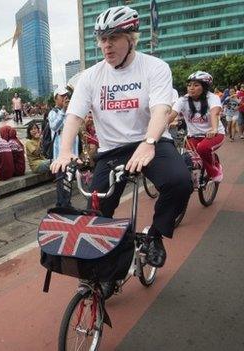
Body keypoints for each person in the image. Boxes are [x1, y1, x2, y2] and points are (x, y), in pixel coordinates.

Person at [50, 5, 192, 269]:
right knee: (96, 212)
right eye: (103, 39)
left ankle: (155, 235)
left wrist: (149, 143)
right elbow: (74, 116)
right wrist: (65, 150)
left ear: (131, 38)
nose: (107, 45)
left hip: (151, 141)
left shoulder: (155, 67)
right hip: (111, 150)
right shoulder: (90, 76)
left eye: (113, 38)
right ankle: (103, 267)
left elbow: (161, 109)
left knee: (180, 182)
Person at [172, 71, 225, 182]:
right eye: (189, 85)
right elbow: (171, 115)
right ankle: (195, 180)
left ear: (204, 87)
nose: (191, 88)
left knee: (203, 148)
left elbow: (215, 113)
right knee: (189, 157)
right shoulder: (183, 100)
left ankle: (215, 170)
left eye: (196, 85)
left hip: (215, 134)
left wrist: (214, 129)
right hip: (194, 136)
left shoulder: (212, 97)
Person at [49, 86, 78, 207]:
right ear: (56, 98)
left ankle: (66, 203)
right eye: (62, 96)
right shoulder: (53, 113)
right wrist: (63, 111)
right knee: (61, 181)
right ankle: (62, 204)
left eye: (67, 95)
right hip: (60, 156)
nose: (66, 98)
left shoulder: (71, 112)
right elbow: (54, 127)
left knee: (69, 180)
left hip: (71, 155)